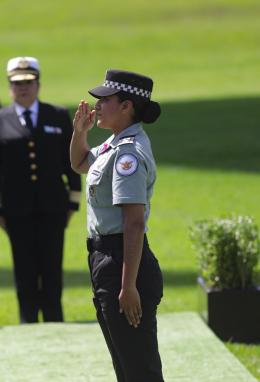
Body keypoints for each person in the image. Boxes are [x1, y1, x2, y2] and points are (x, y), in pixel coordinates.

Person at [70, 69, 164, 381]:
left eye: (104, 100)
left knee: (140, 370)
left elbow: (134, 224)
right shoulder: (114, 144)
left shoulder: (128, 155)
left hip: (122, 264)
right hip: (107, 261)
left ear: (126, 106)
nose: (96, 106)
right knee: (125, 366)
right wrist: (80, 131)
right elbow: (80, 163)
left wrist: (128, 286)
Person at [0, 57, 82, 324]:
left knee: (51, 268)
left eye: (28, 82)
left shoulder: (58, 114)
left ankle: (54, 321)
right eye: (17, 83)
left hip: (53, 206)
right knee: (24, 270)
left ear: (38, 84)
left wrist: (73, 203)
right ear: (9, 88)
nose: (23, 88)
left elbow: (71, 162)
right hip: (16, 210)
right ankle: (28, 322)